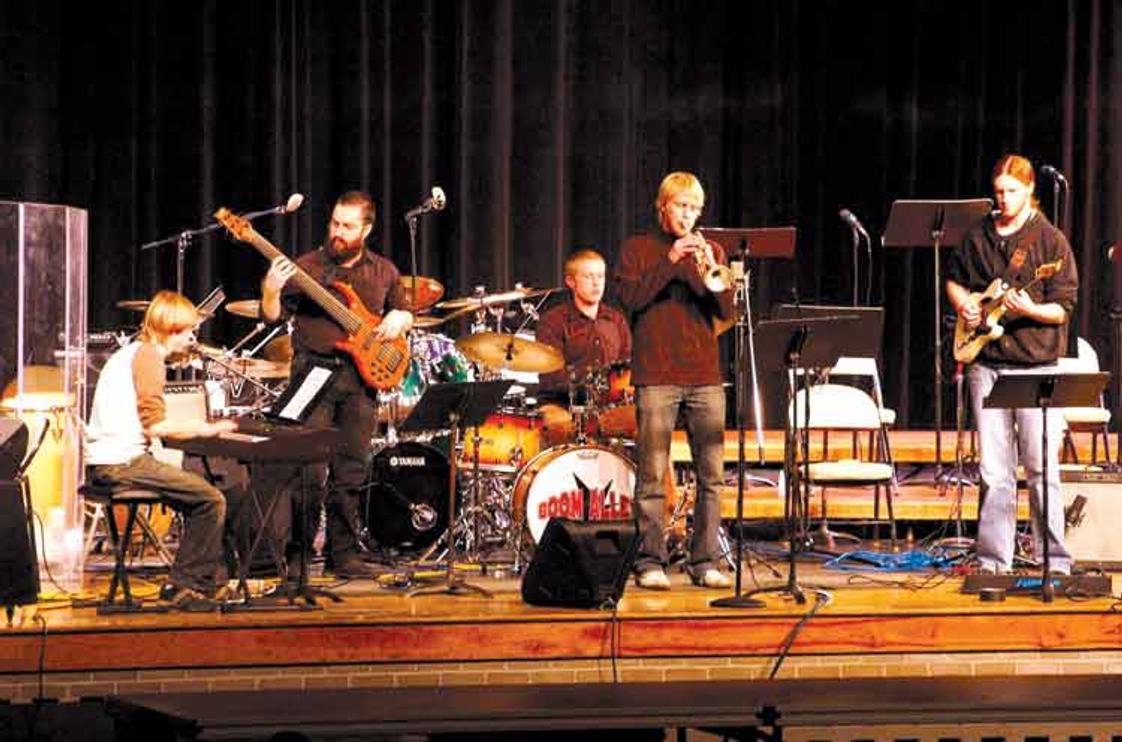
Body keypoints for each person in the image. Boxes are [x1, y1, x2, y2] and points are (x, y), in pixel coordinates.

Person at [261, 190, 413, 579]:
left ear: (367, 228)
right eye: (334, 223)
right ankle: (297, 560)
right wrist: (271, 291)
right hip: (314, 373)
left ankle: (342, 555)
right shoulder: (306, 267)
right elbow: (272, 318)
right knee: (308, 472)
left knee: (351, 470)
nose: (338, 232)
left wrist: (401, 319)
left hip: (361, 381)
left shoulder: (384, 271)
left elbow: (404, 311)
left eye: (347, 226)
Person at [946, 154, 1079, 576]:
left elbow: (1063, 309)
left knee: (1042, 468)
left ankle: (1054, 563)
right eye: (999, 192)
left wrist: (1031, 310)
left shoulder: (1051, 242)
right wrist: (965, 303)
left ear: (1030, 193)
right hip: (986, 362)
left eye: (1012, 192)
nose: (1003, 199)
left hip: (1036, 365)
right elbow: (954, 279)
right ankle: (992, 563)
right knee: (994, 471)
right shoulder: (979, 235)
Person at [615, 171, 734, 590]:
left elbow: (724, 310)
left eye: (695, 208)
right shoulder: (638, 249)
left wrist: (711, 273)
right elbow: (630, 300)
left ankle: (705, 561)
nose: (689, 215)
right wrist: (670, 263)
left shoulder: (712, 250)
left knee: (712, 477)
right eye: (682, 206)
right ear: (664, 205)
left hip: (704, 375)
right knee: (651, 475)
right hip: (656, 374)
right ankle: (649, 560)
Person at [85, 290, 236, 610]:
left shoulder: (132, 353)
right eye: (190, 330)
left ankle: (207, 582)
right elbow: (154, 427)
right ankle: (183, 586)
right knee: (211, 500)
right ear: (171, 328)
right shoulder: (148, 357)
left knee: (198, 493)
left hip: (109, 462)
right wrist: (207, 429)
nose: (194, 337)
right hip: (121, 463)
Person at [536, 248, 632, 444]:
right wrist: (586, 390)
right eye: (589, 277)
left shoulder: (616, 320)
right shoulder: (552, 322)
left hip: (609, 407)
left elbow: (628, 368)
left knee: (652, 422)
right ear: (571, 282)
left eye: (600, 276)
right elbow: (550, 377)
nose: (597, 283)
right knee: (557, 426)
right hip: (561, 405)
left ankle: (647, 476)